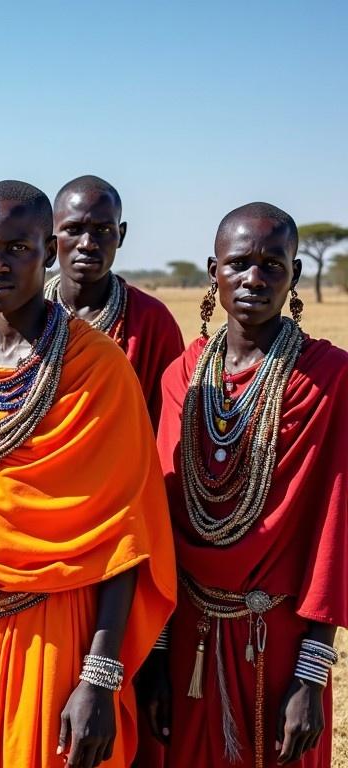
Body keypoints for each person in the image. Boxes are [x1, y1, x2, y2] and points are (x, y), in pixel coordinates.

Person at [0, 180, 176, 768]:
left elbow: (127, 530)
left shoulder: (98, 366)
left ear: (47, 249)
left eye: (17, 248)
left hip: (55, 630)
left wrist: (101, 675)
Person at [147, 203, 347, 768]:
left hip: (280, 642)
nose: (254, 279)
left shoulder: (329, 380)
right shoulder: (181, 377)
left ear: (296, 273)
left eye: (271, 264)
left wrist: (312, 672)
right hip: (187, 636)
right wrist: (158, 658)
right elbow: (160, 521)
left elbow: (335, 528)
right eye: (239, 264)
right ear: (214, 270)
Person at [0, 176, 183, 429]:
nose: (87, 244)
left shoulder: (151, 320)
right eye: (73, 230)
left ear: (121, 234)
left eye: (103, 230)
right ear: (52, 241)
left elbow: (167, 421)